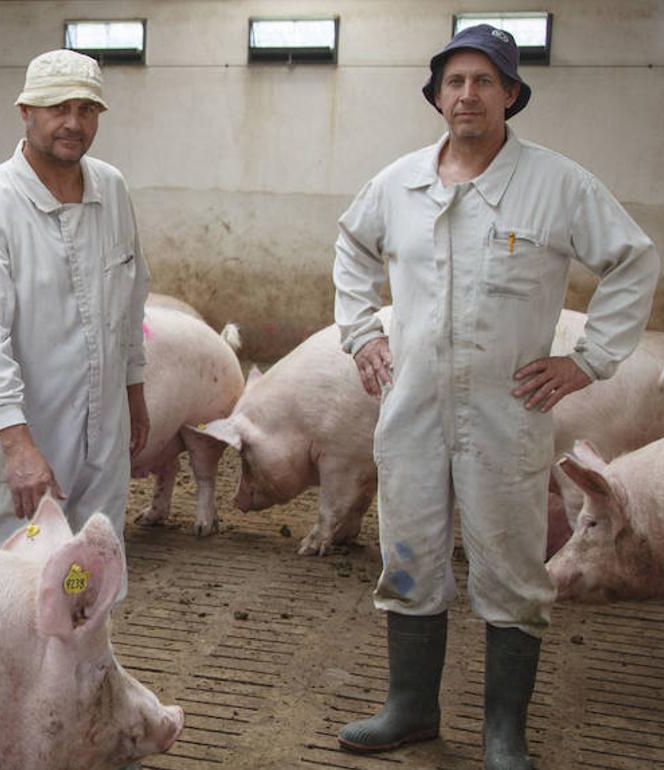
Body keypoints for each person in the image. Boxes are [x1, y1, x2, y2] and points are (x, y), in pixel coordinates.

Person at [331, 24, 659, 770]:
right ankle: (411, 707)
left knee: (513, 570)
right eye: (454, 82)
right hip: (412, 406)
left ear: (511, 94)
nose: (467, 94)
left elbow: (633, 260)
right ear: (437, 96)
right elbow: (351, 245)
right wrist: (360, 334)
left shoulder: (558, 183)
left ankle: (503, 730)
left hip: (507, 413)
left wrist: (589, 360)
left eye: (484, 81)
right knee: (408, 554)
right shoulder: (399, 182)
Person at [0, 49, 150, 553]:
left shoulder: (112, 189)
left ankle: (80, 634)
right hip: (27, 432)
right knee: (12, 575)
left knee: (88, 567)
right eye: (58, 108)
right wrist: (17, 447)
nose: (73, 123)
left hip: (103, 435)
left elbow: (131, 298)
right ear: (26, 112)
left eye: (86, 110)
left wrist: (134, 391)